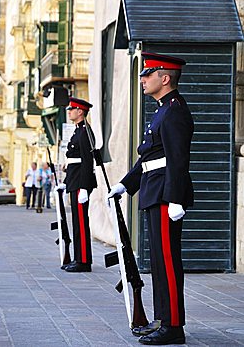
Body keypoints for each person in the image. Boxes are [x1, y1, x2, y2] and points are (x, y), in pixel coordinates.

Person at [107, 52, 194, 345]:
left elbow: (177, 159)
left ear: (165, 78)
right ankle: (162, 318)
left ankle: (173, 326)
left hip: (165, 195)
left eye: (148, 74)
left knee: (168, 262)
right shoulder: (162, 110)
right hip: (153, 191)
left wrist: (176, 199)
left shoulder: (175, 111)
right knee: (158, 261)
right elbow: (150, 157)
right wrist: (125, 185)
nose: (143, 79)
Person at [57, 97, 97, 273]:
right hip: (75, 181)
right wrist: (66, 183)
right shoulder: (78, 131)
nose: (69, 111)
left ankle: (83, 261)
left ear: (80, 112)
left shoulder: (85, 132)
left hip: (81, 183)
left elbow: (88, 162)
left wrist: (85, 187)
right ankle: (78, 257)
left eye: (72, 109)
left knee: (81, 222)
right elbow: (73, 162)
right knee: (76, 222)